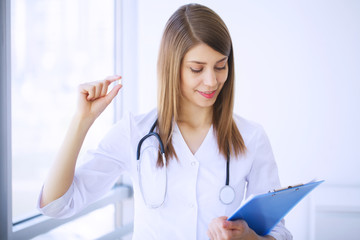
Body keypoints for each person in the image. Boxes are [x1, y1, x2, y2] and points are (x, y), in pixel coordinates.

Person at [38, 3, 292, 240]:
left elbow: (279, 232)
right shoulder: (134, 133)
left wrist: (248, 236)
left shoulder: (251, 137)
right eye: (197, 68)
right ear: (172, 68)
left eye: (220, 66)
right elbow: (57, 205)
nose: (212, 81)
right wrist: (81, 121)